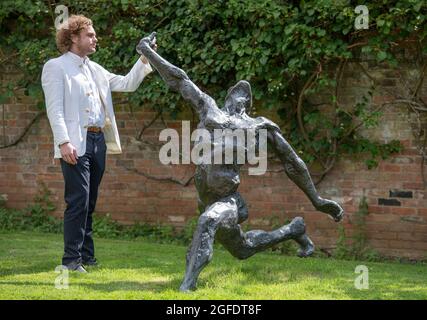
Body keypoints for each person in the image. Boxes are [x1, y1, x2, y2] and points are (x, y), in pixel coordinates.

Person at [137, 33, 344, 291]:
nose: (241, 95)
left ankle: (187, 287)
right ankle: (294, 229)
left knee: (207, 222)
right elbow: (179, 79)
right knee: (243, 249)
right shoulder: (208, 108)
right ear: (227, 98)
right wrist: (147, 51)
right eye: (237, 91)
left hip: (229, 200)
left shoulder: (258, 127)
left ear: (248, 105)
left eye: (246, 95)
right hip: (206, 198)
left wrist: (318, 200)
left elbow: (293, 162)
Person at [41, 15, 156, 273]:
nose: (95, 39)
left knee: (89, 201)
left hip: (97, 140)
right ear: (73, 38)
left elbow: (127, 84)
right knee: (78, 200)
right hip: (74, 144)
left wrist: (145, 57)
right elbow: (54, 110)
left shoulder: (95, 69)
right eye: (90, 35)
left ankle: (87, 256)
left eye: (94, 35)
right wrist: (63, 142)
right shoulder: (55, 67)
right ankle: (71, 261)